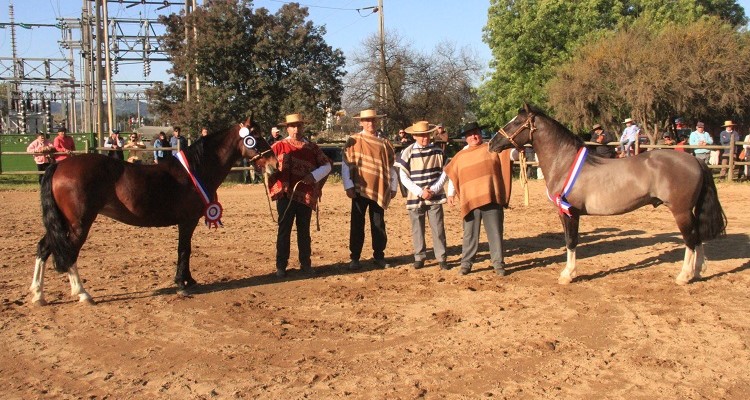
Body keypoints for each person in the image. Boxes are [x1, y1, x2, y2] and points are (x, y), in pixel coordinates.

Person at [444, 121, 512, 276]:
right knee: (469, 235)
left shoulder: (492, 148)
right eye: (470, 134)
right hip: (470, 200)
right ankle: (466, 264)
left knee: (495, 233)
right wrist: (450, 194)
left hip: (491, 198)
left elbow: (509, 155)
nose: (473, 136)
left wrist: (518, 150)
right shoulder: (460, 156)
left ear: (480, 134)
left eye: (476, 133)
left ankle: (498, 265)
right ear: (466, 138)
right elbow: (454, 175)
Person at [267, 113, 332, 277]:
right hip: (285, 195)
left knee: (304, 231)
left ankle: (306, 264)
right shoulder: (277, 147)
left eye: (299, 126)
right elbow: (265, 165)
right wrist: (268, 170)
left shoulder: (312, 148)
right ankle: (281, 266)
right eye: (293, 126)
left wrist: (314, 176)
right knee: (284, 230)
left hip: (305, 195)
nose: (296, 129)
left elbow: (327, 165)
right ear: (287, 128)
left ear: (303, 127)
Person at [343, 109, 398, 270]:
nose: (370, 123)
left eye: (373, 120)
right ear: (361, 122)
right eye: (366, 121)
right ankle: (355, 257)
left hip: (379, 188)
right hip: (359, 189)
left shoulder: (384, 143)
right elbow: (346, 164)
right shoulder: (353, 140)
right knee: (357, 224)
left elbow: (391, 167)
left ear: (377, 121)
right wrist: (348, 185)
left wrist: (393, 186)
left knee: (378, 223)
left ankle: (379, 256)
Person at [395, 121, 449, 270]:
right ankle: (419, 256)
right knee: (417, 228)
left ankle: (441, 257)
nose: (424, 138)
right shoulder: (408, 152)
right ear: (414, 136)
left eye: (426, 135)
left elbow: (445, 172)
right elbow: (403, 177)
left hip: (434, 196)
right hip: (415, 196)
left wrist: (434, 189)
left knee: (438, 227)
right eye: (421, 136)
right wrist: (420, 191)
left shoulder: (438, 151)